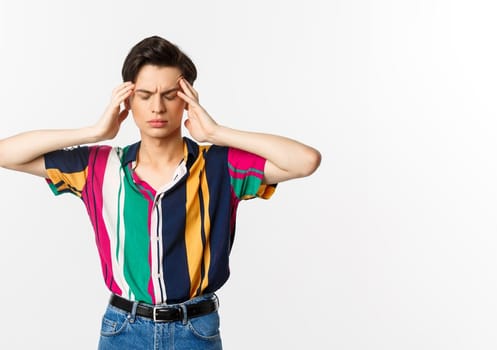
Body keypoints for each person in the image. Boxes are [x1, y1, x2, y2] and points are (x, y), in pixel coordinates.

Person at [0, 35, 321, 349]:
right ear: (127, 100)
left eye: (170, 94)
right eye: (145, 94)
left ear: (187, 99)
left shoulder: (220, 165)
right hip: (123, 329)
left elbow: (305, 161)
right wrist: (94, 131)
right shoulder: (97, 166)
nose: (157, 106)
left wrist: (216, 132)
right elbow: (6, 154)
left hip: (196, 330)